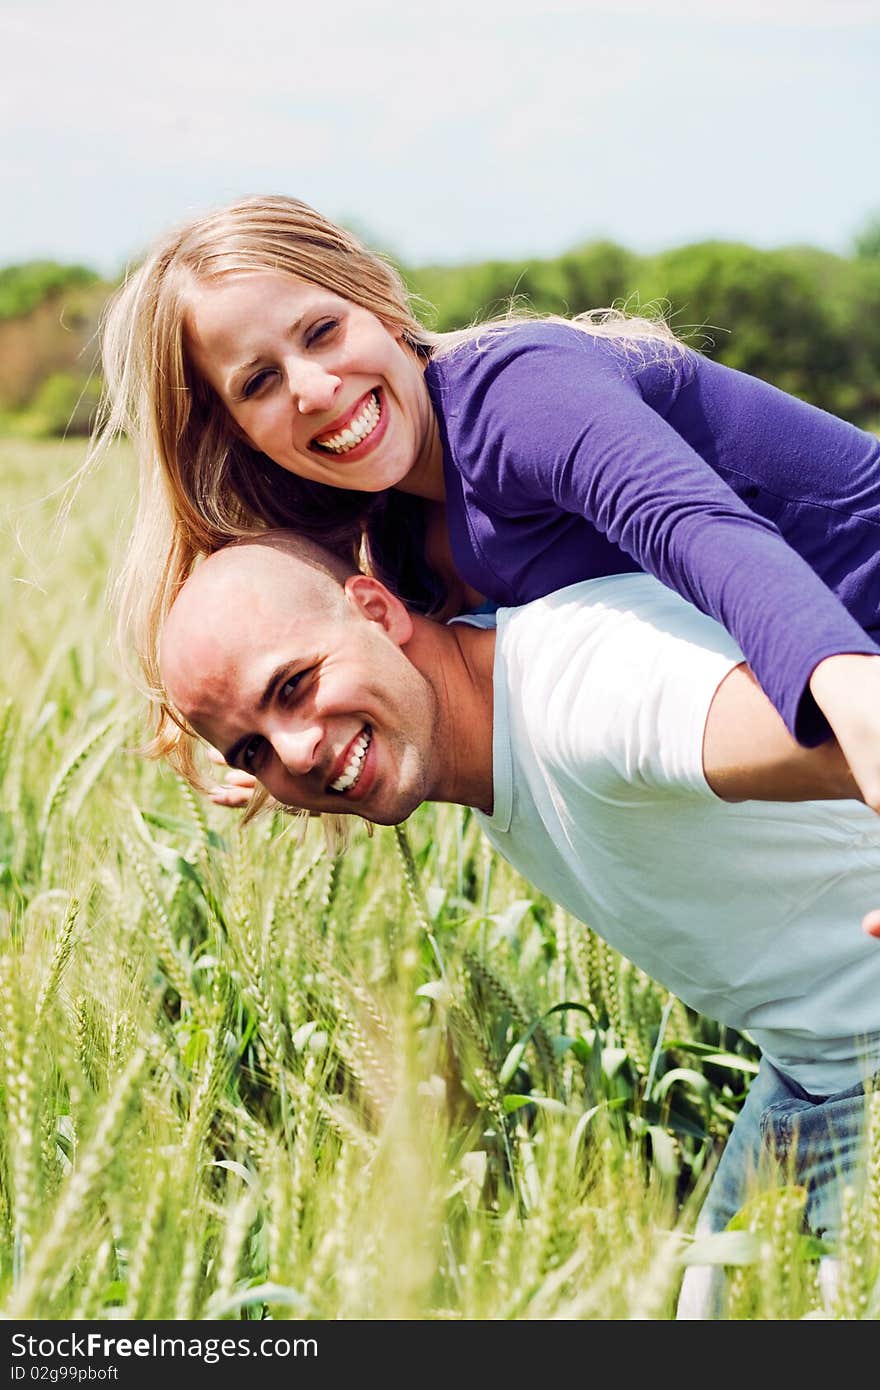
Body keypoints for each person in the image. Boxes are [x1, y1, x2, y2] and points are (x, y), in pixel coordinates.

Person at [158, 532, 880, 1317]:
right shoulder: (476, 723)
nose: (295, 756)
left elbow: (860, 730)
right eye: (254, 750)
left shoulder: (583, 691)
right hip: (810, 1066)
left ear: (375, 609)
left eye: (295, 685)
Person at [93, 195, 880, 812]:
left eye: (323, 331)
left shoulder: (516, 395)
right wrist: (263, 739)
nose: (316, 389)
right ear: (236, 433)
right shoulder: (400, 551)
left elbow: (698, 531)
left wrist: (852, 694)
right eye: (258, 382)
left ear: (380, 305)